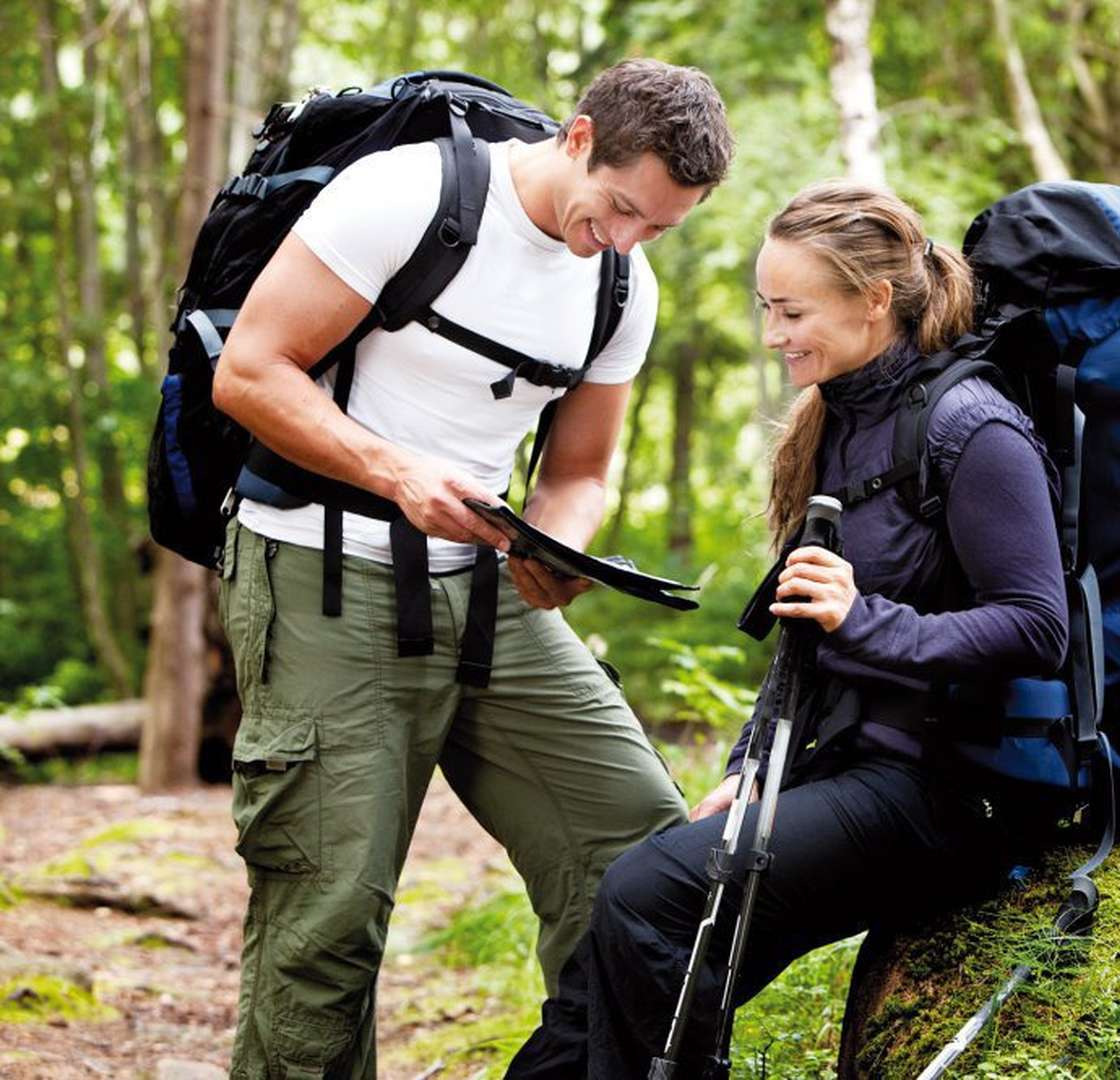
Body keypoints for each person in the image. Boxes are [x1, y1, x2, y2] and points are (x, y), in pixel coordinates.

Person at [210, 60, 734, 1077]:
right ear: (578, 141)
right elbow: (250, 372)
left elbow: (580, 469)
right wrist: (394, 469)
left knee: (641, 855)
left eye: (660, 227)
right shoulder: (406, 196)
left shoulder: (623, 284)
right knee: (328, 915)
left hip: (488, 591)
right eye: (622, 208)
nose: (626, 239)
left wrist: (555, 543)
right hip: (320, 571)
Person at [506, 181, 1070, 1076]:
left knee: (649, 895)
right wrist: (747, 767)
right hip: (848, 767)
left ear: (874, 300)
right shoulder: (841, 420)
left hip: (955, 794)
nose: (774, 335)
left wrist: (868, 619)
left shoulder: (972, 425)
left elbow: (1039, 629)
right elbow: (804, 644)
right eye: (768, 308)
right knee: (622, 960)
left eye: (793, 310)